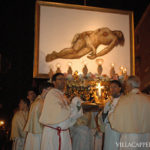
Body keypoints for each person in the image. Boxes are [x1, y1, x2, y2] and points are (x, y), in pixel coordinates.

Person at [39, 73, 83, 150]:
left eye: (64, 79)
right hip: (53, 134)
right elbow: (59, 113)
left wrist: (77, 108)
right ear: (54, 82)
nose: (63, 81)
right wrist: (72, 106)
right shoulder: (52, 94)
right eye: (60, 79)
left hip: (63, 133)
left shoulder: (62, 96)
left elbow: (68, 116)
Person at [109, 76, 150, 150]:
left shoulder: (124, 100)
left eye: (126, 86)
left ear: (130, 86)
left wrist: (110, 112)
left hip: (130, 137)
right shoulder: (148, 99)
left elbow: (114, 121)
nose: (126, 88)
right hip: (146, 136)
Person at [46, 27, 124, 62]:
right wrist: (82, 34)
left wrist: (96, 55)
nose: (118, 33)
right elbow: (93, 32)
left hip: (92, 46)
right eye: (119, 32)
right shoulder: (108, 30)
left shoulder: (114, 39)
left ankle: (56, 55)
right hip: (87, 39)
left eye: (120, 34)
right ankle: (56, 55)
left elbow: (107, 50)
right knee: (73, 50)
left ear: (120, 39)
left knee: (77, 56)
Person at [23, 82, 54, 150]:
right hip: (38, 133)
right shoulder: (40, 103)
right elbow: (44, 120)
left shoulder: (39, 101)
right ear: (44, 90)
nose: (52, 94)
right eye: (51, 91)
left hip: (35, 133)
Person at [98, 80, 123, 150]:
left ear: (120, 88)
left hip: (117, 129)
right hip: (108, 129)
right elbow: (102, 118)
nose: (112, 89)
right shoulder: (108, 101)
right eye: (111, 87)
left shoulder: (123, 100)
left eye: (114, 87)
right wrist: (104, 113)